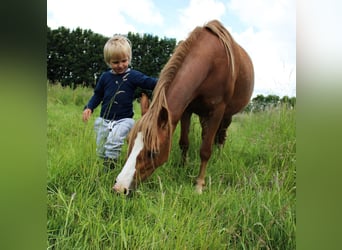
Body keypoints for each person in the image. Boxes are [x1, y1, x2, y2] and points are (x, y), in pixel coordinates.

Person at [82, 35, 157, 171]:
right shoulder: (105, 77)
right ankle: (103, 166)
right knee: (101, 147)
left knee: (114, 142)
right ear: (108, 62)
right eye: (115, 62)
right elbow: (98, 94)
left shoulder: (132, 76)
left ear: (129, 58)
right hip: (104, 119)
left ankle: (110, 169)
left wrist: (167, 81)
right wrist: (89, 107)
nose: (121, 65)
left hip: (124, 120)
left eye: (124, 60)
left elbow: (150, 82)